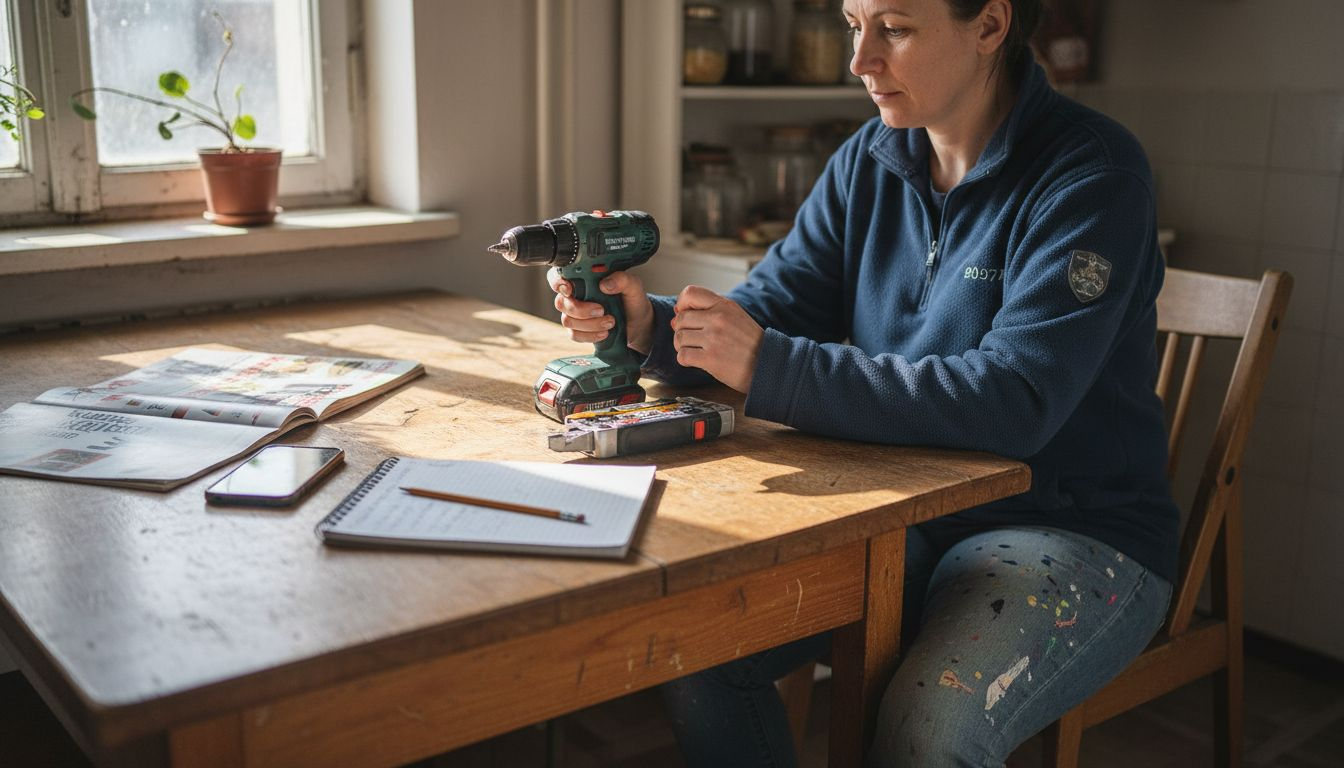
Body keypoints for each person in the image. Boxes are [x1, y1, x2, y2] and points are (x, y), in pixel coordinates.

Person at [548, 0, 1177, 764]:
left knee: (928, 726)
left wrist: (769, 363)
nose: (860, 60)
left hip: (1073, 529)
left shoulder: (1093, 175)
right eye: (853, 23)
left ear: (989, 26)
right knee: (705, 648)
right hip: (898, 514)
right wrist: (651, 326)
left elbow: (1015, 401)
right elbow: (768, 313)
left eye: (896, 28)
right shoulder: (870, 159)